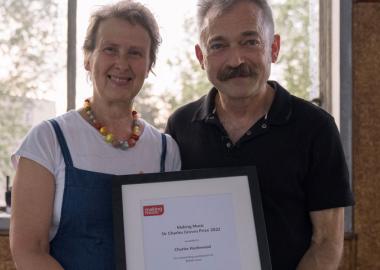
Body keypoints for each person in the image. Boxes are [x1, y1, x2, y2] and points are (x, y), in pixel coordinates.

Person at [165, 0, 354, 269]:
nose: (236, 60)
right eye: (218, 46)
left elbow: (327, 243)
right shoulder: (180, 126)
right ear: (201, 57)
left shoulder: (316, 128)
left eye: (250, 42)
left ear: (274, 48)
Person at [10, 1, 181, 269]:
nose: (122, 63)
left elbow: (171, 246)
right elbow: (29, 251)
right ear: (88, 58)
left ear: (149, 66)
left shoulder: (166, 151)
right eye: (110, 49)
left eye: (135, 53)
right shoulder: (48, 140)